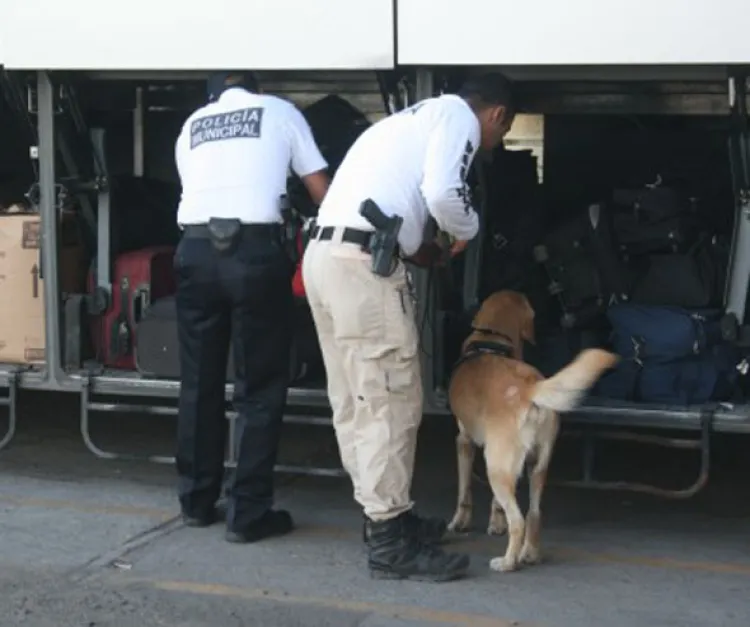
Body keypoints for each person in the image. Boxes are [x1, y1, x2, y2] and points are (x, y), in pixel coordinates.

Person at [301, 72, 516, 581]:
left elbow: (404, 220)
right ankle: (389, 541)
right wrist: (468, 230)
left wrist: (427, 250)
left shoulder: (404, 124)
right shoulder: (458, 118)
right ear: (497, 115)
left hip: (326, 257)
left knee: (355, 398)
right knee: (390, 399)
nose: (493, 143)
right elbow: (443, 195)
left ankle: (383, 516)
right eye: (501, 134)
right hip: (362, 268)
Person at [173, 71, 330, 543]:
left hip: (195, 250)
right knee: (258, 387)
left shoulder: (193, 123)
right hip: (255, 253)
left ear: (216, 92)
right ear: (257, 88)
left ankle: (197, 502)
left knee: (198, 382)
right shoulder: (281, 113)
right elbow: (321, 187)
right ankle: (248, 513)